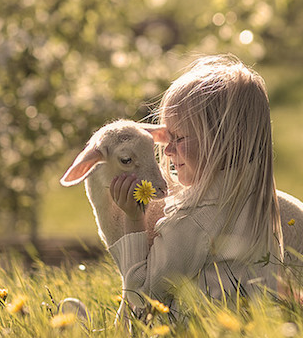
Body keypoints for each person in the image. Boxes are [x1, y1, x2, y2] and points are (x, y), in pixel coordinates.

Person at [108, 54, 285, 318]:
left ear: (223, 141)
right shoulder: (255, 199)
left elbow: (142, 296)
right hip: (258, 330)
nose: (167, 149)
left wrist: (134, 218)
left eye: (178, 138)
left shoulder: (196, 219)